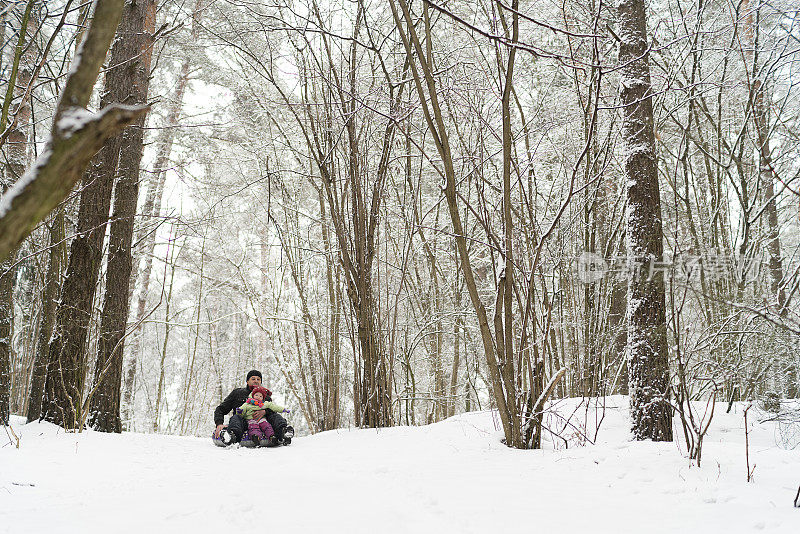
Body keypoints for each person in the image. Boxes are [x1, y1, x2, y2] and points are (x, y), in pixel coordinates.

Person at [214, 370, 294, 445]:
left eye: (258, 379)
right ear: (247, 381)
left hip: (262, 422)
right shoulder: (238, 393)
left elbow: (273, 410)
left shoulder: (265, 396)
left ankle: (284, 432)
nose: (256, 381)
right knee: (236, 418)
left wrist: (265, 411)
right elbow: (221, 409)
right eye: (253, 379)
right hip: (243, 423)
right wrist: (219, 423)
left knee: (275, 416)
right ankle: (232, 436)